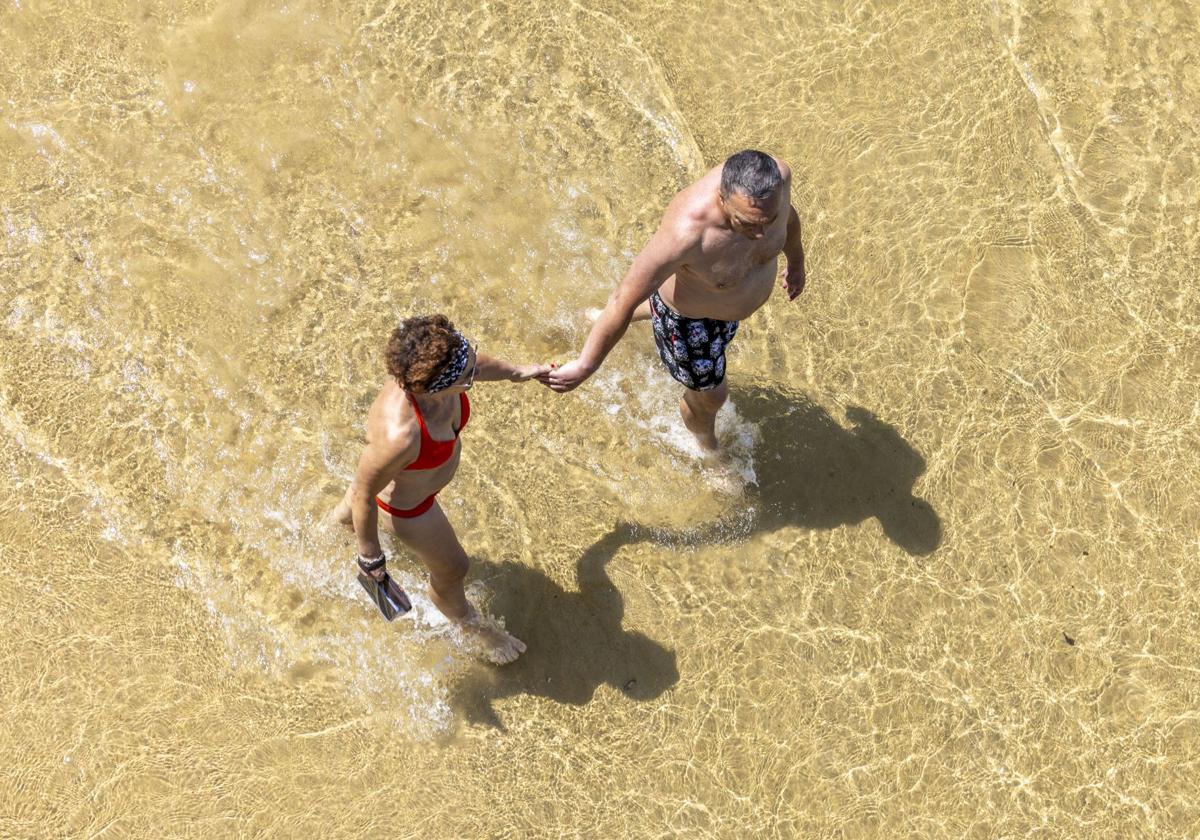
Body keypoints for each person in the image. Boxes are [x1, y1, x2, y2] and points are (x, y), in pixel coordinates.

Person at [542, 150, 807, 455]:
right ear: (722, 198)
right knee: (711, 397)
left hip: (722, 305)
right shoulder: (687, 233)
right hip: (687, 321)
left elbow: (790, 218)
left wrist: (796, 262)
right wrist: (586, 366)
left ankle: (597, 317)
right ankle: (708, 450)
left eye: (768, 221)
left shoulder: (777, 179)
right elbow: (623, 299)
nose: (761, 235)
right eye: (747, 224)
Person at [332, 314, 548, 664]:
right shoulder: (400, 437)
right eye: (468, 377)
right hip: (408, 507)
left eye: (470, 359)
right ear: (433, 388)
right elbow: (365, 494)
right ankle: (466, 622)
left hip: (409, 478)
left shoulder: (438, 373)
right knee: (453, 567)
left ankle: (333, 528)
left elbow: (476, 365)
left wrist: (519, 372)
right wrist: (370, 556)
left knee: (354, 498)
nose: (474, 372)